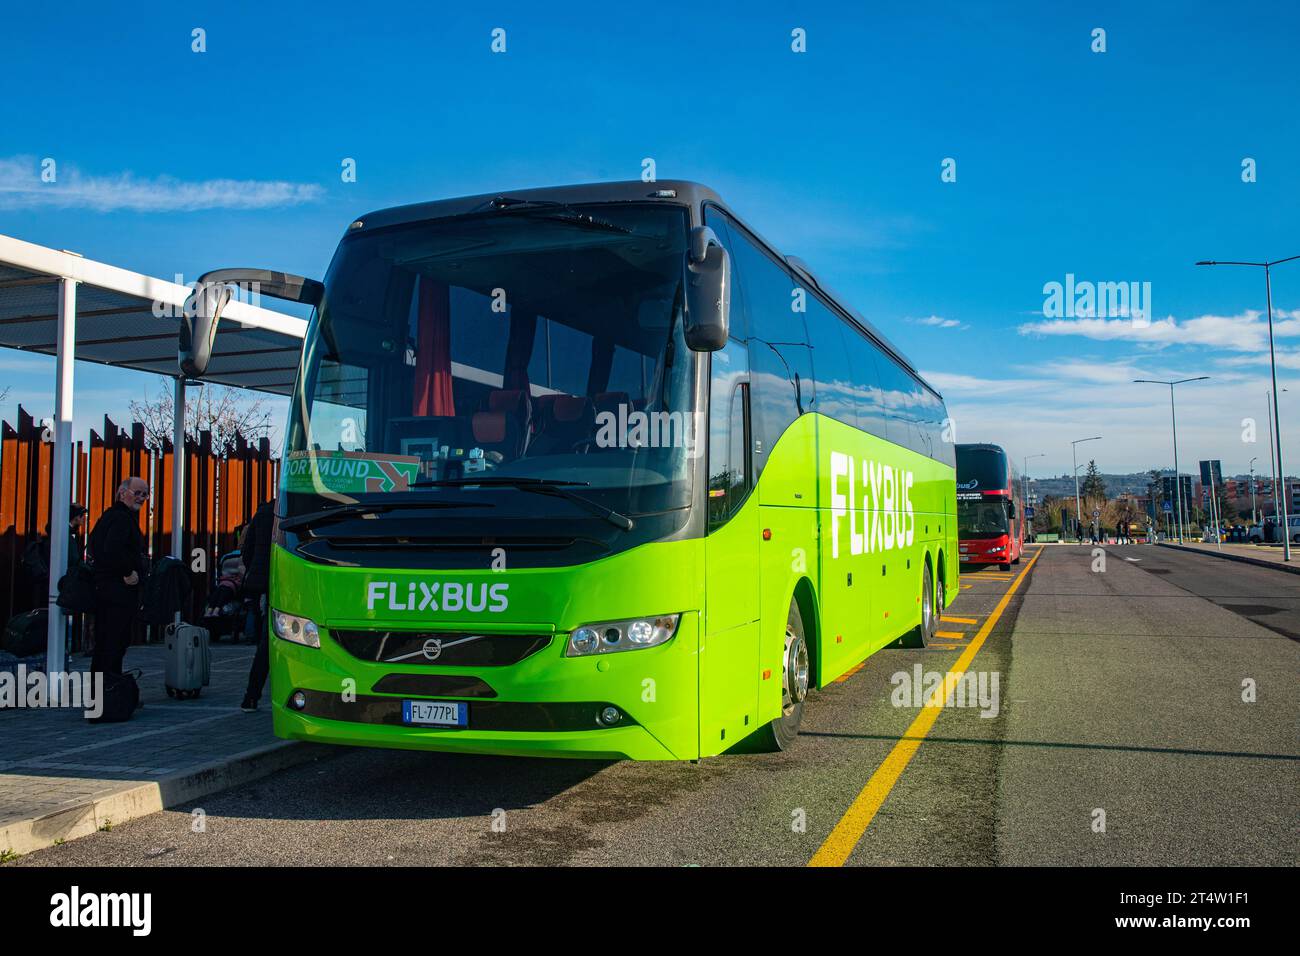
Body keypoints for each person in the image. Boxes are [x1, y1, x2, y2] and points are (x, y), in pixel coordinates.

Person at [87, 478, 148, 677]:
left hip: (104, 588)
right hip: (118, 591)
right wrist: (127, 572)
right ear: (122, 493)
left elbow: (95, 546)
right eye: (137, 492)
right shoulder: (122, 518)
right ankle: (109, 691)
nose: (141, 498)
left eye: (145, 494)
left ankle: (101, 692)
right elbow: (111, 549)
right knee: (115, 641)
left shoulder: (108, 516)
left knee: (105, 642)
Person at [239, 498, 276, 712]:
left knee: (264, 642)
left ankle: (251, 696)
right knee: (268, 642)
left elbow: (247, 549)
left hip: (260, 582)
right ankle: (252, 694)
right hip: (283, 582)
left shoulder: (263, 512)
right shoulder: (297, 507)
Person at [23, 505, 88, 608]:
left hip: (46, 580)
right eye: (82, 515)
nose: (85, 518)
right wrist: (90, 570)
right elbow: (74, 560)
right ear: (75, 517)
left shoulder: (55, 533)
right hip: (58, 582)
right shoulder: (66, 536)